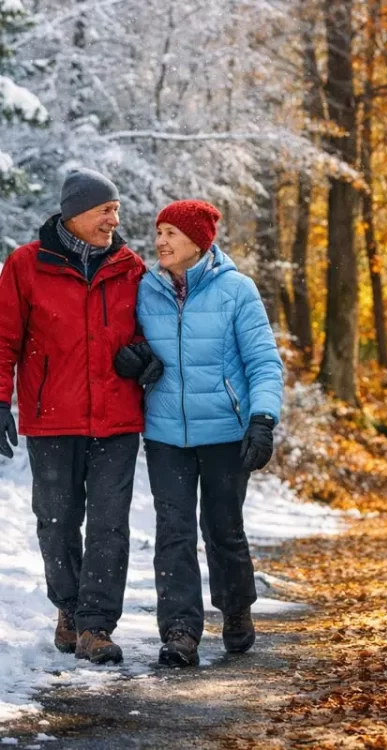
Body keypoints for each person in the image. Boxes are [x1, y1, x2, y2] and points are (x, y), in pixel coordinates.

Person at [0, 168, 159, 664]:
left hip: (116, 419)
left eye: (116, 209)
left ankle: (96, 626)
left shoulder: (131, 268)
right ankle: (68, 609)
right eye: (105, 209)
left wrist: (143, 356)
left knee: (110, 524)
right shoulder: (27, 266)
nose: (115, 218)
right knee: (56, 520)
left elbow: (151, 333)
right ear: (74, 214)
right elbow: (3, 339)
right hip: (53, 416)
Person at [120, 200, 283, 667]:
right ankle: (180, 631)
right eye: (159, 232)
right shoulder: (145, 289)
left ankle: (235, 609)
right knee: (173, 530)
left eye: (172, 233)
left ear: (199, 241)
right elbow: (127, 341)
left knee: (223, 527)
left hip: (226, 432)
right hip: (166, 431)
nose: (161, 242)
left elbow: (263, 362)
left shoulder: (236, 290)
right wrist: (132, 356)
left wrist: (262, 419)